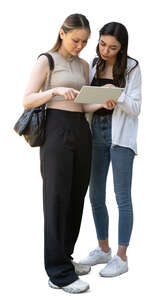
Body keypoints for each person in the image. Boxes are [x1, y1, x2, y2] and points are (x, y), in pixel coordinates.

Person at [22, 13, 104, 294]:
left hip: (81, 130)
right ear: (62, 33)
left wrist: (103, 101)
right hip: (56, 129)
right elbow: (27, 99)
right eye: (75, 40)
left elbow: (82, 106)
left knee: (75, 196)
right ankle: (57, 273)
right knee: (56, 197)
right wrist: (55, 91)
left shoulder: (83, 66)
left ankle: (65, 258)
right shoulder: (47, 60)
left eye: (84, 41)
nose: (80, 45)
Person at [80, 22, 142, 278]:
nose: (105, 50)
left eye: (112, 47)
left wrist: (115, 96)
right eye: (102, 44)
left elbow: (136, 107)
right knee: (95, 196)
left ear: (122, 47)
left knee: (122, 197)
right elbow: (85, 101)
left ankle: (121, 256)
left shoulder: (132, 67)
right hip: (95, 133)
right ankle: (103, 249)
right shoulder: (93, 64)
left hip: (120, 138)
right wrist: (97, 98)